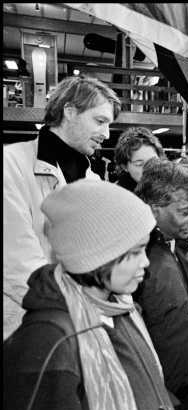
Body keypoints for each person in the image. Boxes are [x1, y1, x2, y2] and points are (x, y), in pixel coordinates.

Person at [2, 180, 178, 410]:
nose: (146, 262)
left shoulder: (119, 308)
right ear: (97, 255)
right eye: (135, 251)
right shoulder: (48, 341)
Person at [3, 75, 121, 340]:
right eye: (100, 121)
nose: (106, 134)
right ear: (69, 111)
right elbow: (16, 264)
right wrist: (80, 312)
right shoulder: (9, 166)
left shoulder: (94, 181)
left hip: (81, 326)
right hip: (26, 330)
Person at [134, 158, 188, 410]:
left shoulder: (181, 248)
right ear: (154, 208)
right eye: (186, 211)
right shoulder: (133, 262)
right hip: (157, 401)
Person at [113, 127, 188, 267]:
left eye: (153, 161)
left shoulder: (172, 188)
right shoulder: (115, 199)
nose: (148, 169)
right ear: (124, 166)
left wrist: (184, 269)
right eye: (139, 164)